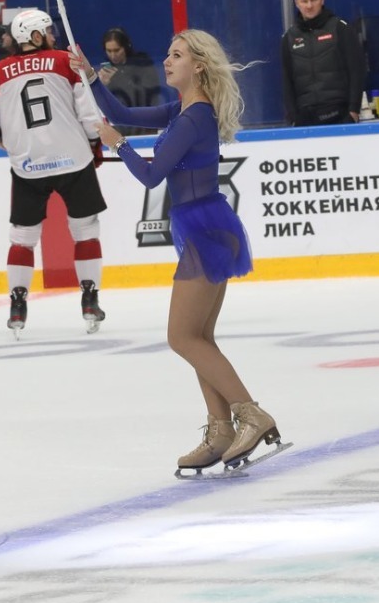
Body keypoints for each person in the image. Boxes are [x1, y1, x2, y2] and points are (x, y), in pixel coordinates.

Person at [72, 29, 282, 475]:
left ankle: (251, 414)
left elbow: (151, 177)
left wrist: (118, 144)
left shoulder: (193, 118)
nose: (167, 61)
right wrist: (90, 77)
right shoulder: (182, 110)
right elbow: (121, 111)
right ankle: (220, 430)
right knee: (199, 337)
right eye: (168, 53)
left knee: (182, 337)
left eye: (177, 55)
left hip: (206, 229)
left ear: (198, 65)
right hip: (206, 225)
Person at [0, 9, 108, 335]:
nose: (53, 35)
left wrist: (1, 140)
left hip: (28, 165)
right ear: (35, 35)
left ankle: (17, 304)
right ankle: (90, 300)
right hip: (74, 161)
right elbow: (90, 115)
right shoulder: (66, 61)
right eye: (48, 30)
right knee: (86, 231)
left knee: (22, 238)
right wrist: (93, 143)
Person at [279, 0, 366, 126]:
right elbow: (287, 81)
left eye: (313, 0)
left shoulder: (340, 28)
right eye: (304, 1)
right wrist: (293, 117)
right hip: (305, 118)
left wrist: (354, 109)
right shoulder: (289, 37)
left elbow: (357, 70)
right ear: (296, 3)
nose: (309, 5)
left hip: (339, 114)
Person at [97, 27, 164, 135]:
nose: (113, 55)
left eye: (117, 50)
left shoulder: (142, 65)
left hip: (144, 125)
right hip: (120, 129)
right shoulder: (105, 73)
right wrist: (102, 86)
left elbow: (149, 95)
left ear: (126, 47)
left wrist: (117, 79)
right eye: (109, 51)